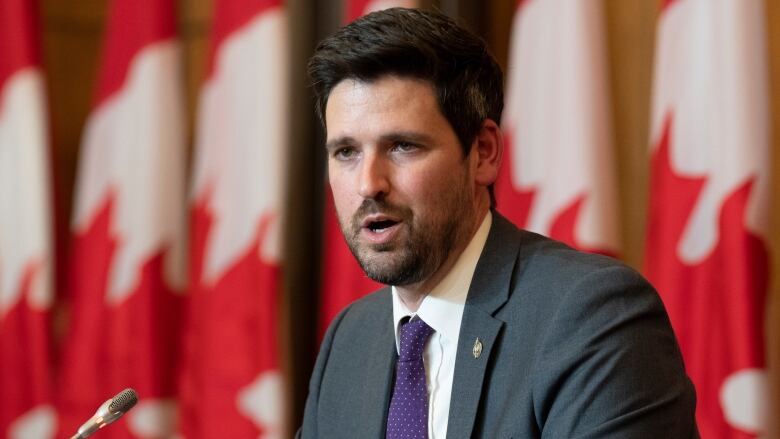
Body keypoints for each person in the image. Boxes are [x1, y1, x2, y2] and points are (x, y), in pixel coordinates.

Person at [299, 7, 698, 438]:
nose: (368, 184)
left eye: (402, 146)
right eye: (346, 152)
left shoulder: (591, 318)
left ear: (484, 153)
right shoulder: (349, 340)